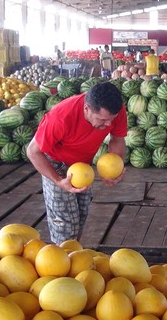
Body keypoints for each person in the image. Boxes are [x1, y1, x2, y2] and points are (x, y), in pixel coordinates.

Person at [26, 82, 127, 244]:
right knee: (65, 222)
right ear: (87, 109)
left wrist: (115, 167)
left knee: (81, 214)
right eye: (102, 120)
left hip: (82, 165)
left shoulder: (115, 110)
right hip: (56, 164)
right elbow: (32, 151)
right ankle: (61, 262)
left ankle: (74, 255)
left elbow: (117, 139)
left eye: (111, 120)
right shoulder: (61, 117)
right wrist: (58, 181)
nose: (108, 124)